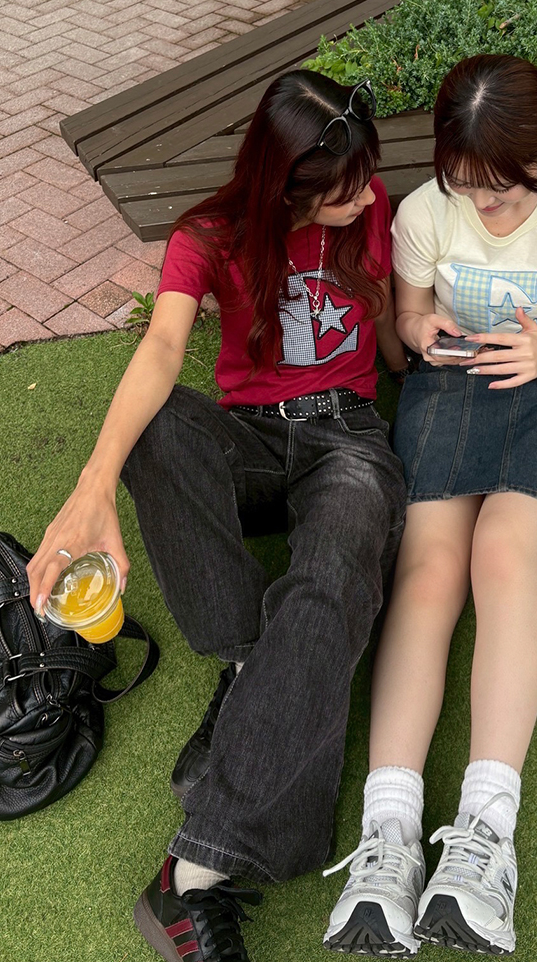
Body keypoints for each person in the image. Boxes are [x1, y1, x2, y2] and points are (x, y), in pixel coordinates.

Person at [26, 70, 407, 962]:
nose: (365, 199)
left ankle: (192, 874)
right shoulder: (210, 234)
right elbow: (164, 344)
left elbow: (388, 320)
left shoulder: (371, 205)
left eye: (365, 183)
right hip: (251, 438)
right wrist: (93, 484)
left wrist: (418, 374)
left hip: (349, 437)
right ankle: (245, 662)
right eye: (343, 191)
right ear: (284, 185)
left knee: (331, 580)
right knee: (154, 427)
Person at [323, 54, 537, 957]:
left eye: (499, 192)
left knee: (504, 559)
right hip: (447, 389)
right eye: (463, 184)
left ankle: (486, 833)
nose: (480, 205)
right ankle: (389, 835)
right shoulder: (427, 212)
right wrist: (418, 329)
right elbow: (405, 326)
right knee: (428, 572)